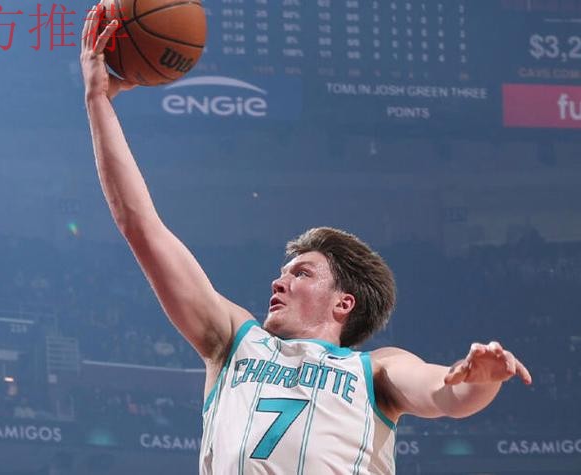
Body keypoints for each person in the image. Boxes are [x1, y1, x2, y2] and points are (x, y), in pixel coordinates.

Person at [80, 11, 532, 474]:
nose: (279, 282)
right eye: (283, 272)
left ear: (343, 303)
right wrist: (98, 100)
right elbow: (142, 226)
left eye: (301, 273)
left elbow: (445, 393)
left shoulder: (376, 370)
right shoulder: (234, 341)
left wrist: (480, 380)